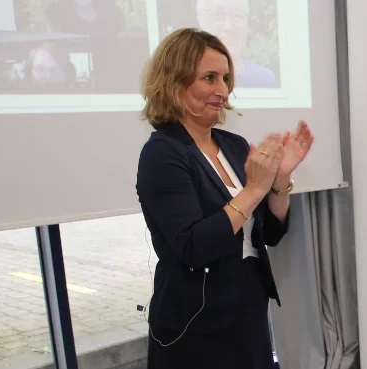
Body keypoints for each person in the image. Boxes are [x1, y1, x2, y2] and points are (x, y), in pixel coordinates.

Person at [136, 28, 314, 369]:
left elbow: (269, 234)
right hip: (195, 321)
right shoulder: (162, 153)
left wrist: (280, 180)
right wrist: (254, 189)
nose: (223, 90)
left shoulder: (232, 144)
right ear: (174, 81)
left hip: (246, 308)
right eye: (210, 78)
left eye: (226, 78)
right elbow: (194, 245)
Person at [195, 0, 279, 88]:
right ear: (201, 21)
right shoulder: (188, 77)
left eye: (237, 16)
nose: (229, 27)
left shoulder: (264, 80)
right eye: (218, 16)